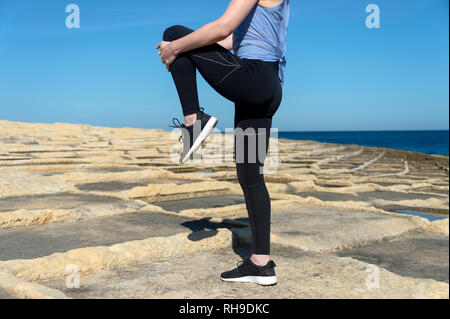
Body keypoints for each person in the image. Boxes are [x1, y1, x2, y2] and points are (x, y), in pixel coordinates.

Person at [156, 0, 290, 286]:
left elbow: (222, 28)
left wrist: (174, 48)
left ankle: (195, 120)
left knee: (174, 33)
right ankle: (261, 264)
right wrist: (182, 48)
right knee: (251, 176)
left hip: (254, 78)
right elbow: (232, 39)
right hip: (267, 89)